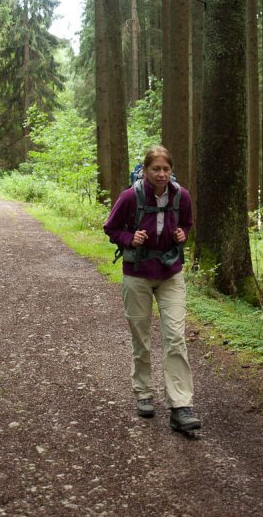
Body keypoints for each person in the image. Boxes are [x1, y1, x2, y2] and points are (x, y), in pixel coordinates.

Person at [103, 145, 202, 432]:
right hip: (137, 274)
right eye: (155, 169)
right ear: (145, 170)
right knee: (141, 336)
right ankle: (144, 393)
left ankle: (181, 405)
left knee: (175, 336)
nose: (161, 174)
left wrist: (183, 234)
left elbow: (186, 224)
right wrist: (129, 238)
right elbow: (111, 228)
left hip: (171, 273)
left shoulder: (181, 196)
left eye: (165, 169)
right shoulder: (130, 197)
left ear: (172, 171)